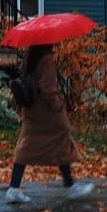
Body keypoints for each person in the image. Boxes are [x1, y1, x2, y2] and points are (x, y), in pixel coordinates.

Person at [6, 43, 94, 203]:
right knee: (62, 138)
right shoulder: (47, 60)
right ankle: (70, 185)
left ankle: (14, 187)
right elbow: (48, 88)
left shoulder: (29, 58)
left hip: (31, 110)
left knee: (26, 145)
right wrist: (58, 106)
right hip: (46, 112)